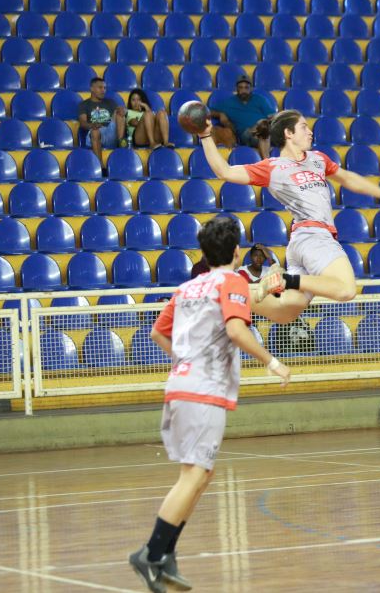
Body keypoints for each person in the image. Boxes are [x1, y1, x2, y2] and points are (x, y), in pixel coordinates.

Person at [128, 217, 291, 593]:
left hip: (181, 386)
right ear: (236, 253)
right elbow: (236, 330)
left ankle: (165, 554)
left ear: (203, 253)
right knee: (194, 475)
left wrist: (183, 361)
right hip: (203, 389)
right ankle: (151, 554)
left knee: (200, 475)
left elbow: (157, 331)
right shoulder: (232, 281)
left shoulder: (188, 287)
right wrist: (272, 362)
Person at [198, 110, 380, 325]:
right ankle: (284, 279)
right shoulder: (272, 167)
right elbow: (225, 172)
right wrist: (205, 136)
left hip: (302, 244)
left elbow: (347, 178)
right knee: (345, 289)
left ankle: (230, 292)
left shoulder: (318, 159)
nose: (310, 132)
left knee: (284, 312)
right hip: (313, 236)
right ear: (288, 133)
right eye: (304, 127)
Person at [209, 75, 275, 158]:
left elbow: (272, 115)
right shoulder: (229, 103)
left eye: (246, 87)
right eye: (240, 87)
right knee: (262, 129)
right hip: (247, 134)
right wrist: (220, 114)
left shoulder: (260, 99)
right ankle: (267, 162)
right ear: (237, 89)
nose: (243, 90)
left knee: (270, 127)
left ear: (251, 89)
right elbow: (208, 111)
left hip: (266, 129)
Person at [78, 77, 126, 164]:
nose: (103, 90)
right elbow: (82, 123)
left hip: (111, 132)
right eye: (100, 87)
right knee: (95, 131)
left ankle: (121, 147)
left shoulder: (111, 102)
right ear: (92, 89)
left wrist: (123, 111)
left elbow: (120, 117)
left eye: (104, 88)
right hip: (95, 133)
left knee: (120, 114)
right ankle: (99, 166)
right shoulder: (84, 104)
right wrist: (92, 125)